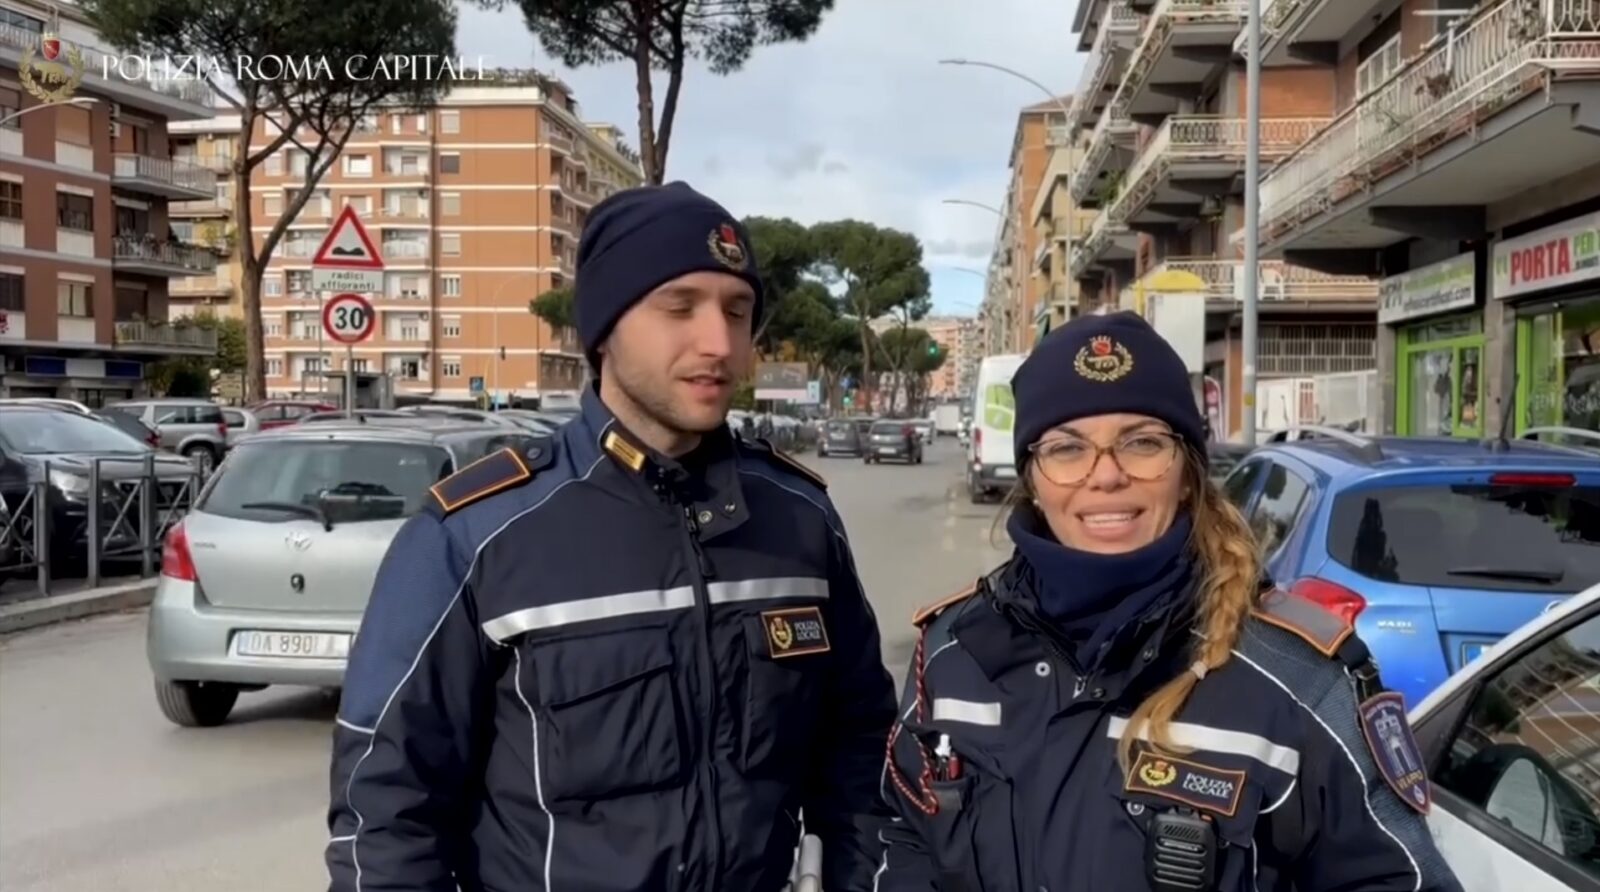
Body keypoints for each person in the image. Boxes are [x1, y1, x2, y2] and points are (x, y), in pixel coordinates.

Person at [327, 182, 898, 892]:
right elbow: (384, 815)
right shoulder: (476, 536)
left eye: (738, 311)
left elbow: (863, 760)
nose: (719, 342)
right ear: (603, 330)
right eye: (679, 307)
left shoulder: (800, 520)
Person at [878, 312, 1463, 892]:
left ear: (1187, 470)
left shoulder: (1298, 681)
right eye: (1067, 448)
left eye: (1142, 443)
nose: (1105, 476)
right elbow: (904, 836)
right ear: (1033, 475)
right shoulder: (953, 652)